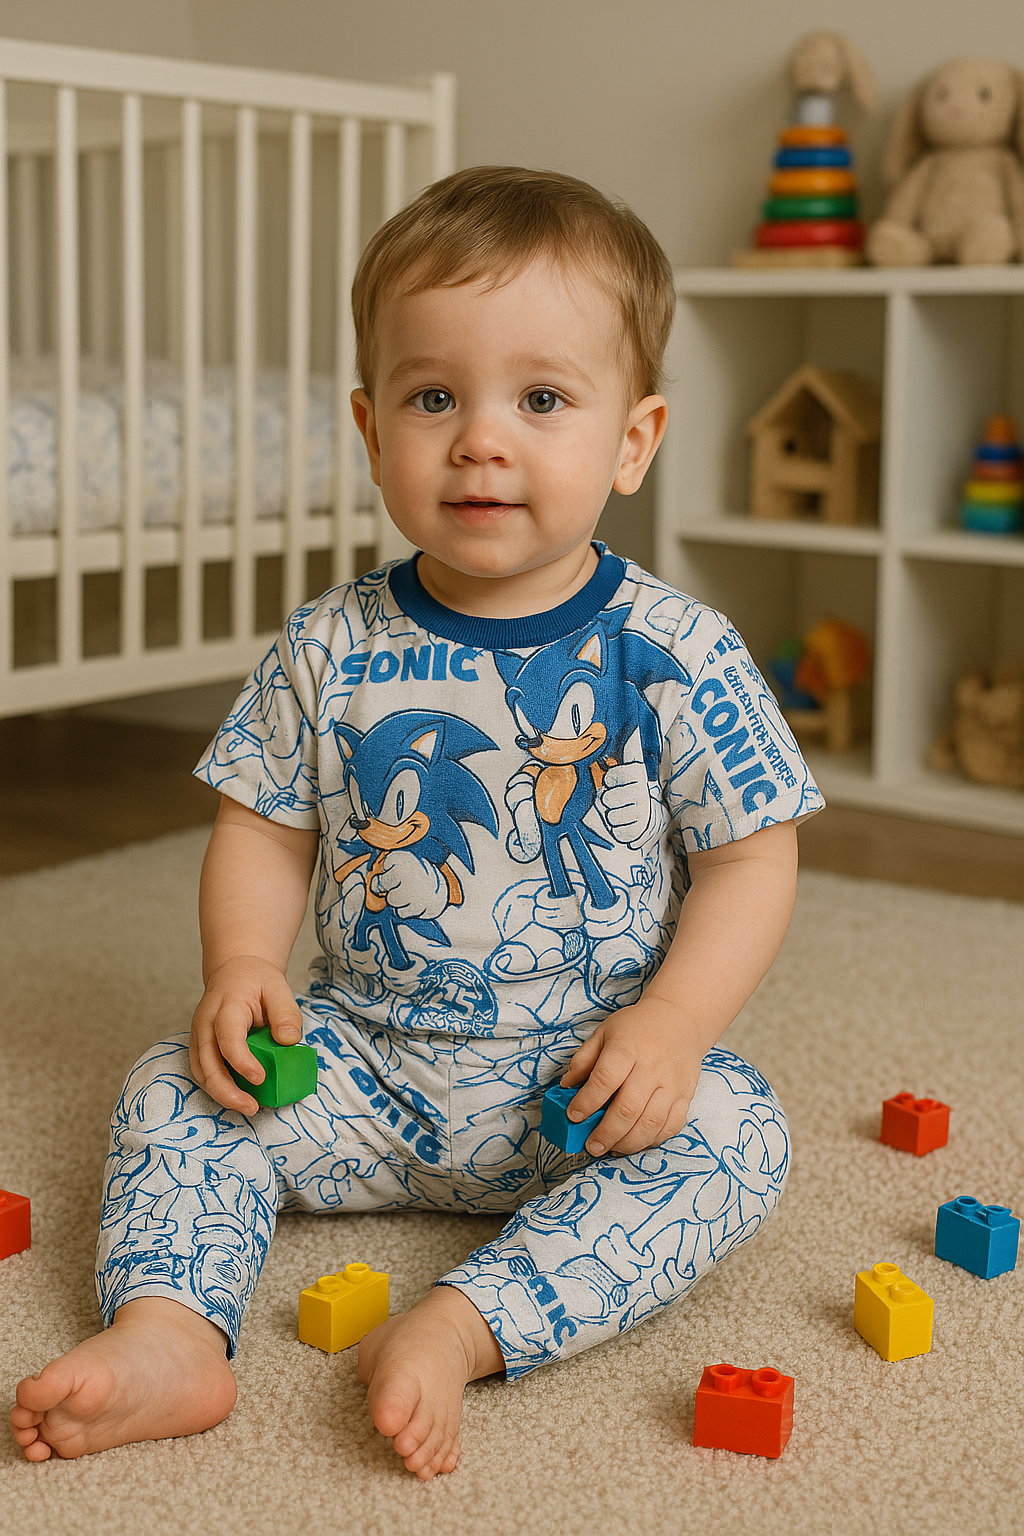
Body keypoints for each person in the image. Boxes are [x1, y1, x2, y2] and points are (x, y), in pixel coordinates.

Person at [11, 166, 822, 1479]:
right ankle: (170, 1333)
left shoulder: (677, 650)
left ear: (634, 441)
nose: (480, 440)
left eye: (541, 400)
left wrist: (675, 1026)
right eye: (434, 397)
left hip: (583, 1088)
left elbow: (750, 858)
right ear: (370, 424)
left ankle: (464, 1325)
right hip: (365, 1069)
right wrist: (244, 967)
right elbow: (264, 829)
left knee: (739, 1133)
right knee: (173, 1085)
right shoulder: (328, 645)